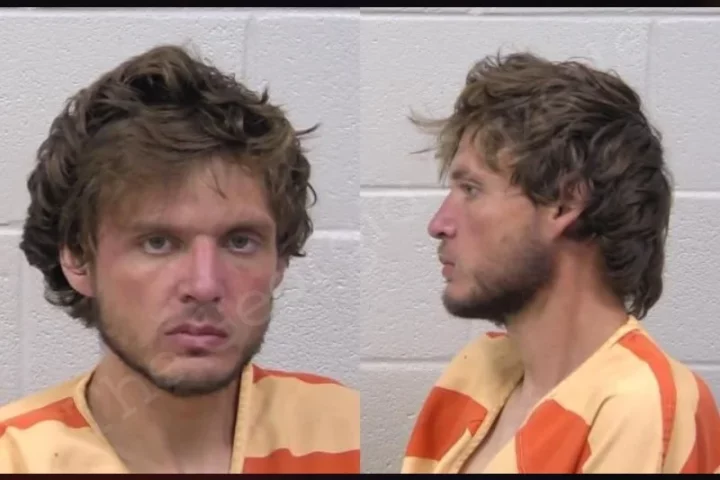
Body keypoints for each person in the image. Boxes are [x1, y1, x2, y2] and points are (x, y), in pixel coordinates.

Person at [0, 44, 359, 474]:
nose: (204, 286)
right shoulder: (15, 458)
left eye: (240, 242)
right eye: (158, 242)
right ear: (78, 259)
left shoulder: (346, 431)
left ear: (278, 260)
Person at [401, 51, 720, 474]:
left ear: (565, 203)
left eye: (472, 190)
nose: (439, 224)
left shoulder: (643, 405)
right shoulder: (476, 373)